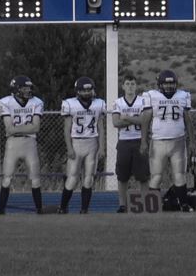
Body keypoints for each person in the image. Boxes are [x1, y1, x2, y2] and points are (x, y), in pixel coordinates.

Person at [0, 75, 44, 215]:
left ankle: (39, 209)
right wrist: (27, 127)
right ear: (16, 89)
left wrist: (17, 128)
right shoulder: (5, 102)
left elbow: (36, 128)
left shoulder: (36, 102)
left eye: (29, 87)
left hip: (30, 142)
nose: (28, 90)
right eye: (25, 88)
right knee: (7, 177)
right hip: (13, 143)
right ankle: (1, 210)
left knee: (35, 177)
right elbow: (8, 129)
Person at [60, 77, 104, 214]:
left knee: (89, 178)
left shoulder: (99, 104)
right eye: (83, 90)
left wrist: (102, 147)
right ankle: (63, 207)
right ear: (78, 91)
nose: (86, 92)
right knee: (72, 178)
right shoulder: (70, 104)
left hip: (92, 143)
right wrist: (69, 148)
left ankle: (84, 209)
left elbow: (101, 128)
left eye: (88, 89)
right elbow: (67, 129)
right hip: (76, 143)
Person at [146, 70, 191, 196]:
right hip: (158, 142)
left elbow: (188, 120)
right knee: (156, 176)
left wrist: (192, 141)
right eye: (166, 84)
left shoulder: (183, 95)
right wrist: (143, 141)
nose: (169, 86)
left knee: (179, 175)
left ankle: (184, 205)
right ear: (160, 85)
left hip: (178, 141)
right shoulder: (151, 95)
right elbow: (146, 120)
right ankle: (153, 206)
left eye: (171, 84)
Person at [112, 75, 150, 213]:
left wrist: (127, 117)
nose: (130, 86)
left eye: (132, 84)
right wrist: (136, 119)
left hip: (139, 140)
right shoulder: (118, 102)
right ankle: (122, 205)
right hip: (124, 142)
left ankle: (145, 205)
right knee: (122, 176)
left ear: (136, 86)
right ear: (123, 86)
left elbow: (145, 121)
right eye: (127, 84)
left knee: (143, 176)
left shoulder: (143, 101)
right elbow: (116, 123)